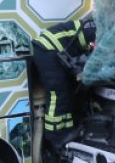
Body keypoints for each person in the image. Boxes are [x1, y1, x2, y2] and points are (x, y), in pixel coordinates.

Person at [32, 18, 97, 152]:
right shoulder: (96, 27)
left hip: (51, 50)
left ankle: (67, 130)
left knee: (66, 92)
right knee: (58, 93)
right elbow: (95, 50)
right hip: (47, 51)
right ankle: (55, 136)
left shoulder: (93, 25)